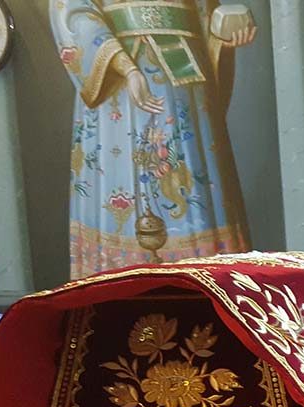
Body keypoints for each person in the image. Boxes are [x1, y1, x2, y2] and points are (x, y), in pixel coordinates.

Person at [50, 0, 256, 278]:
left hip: (185, 78)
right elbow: (73, 12)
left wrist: (223, 37)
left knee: (193, 184)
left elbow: (204, 13)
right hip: (119, 82)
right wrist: (127, 68)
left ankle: (206, 286)